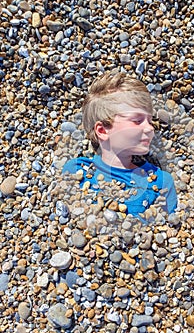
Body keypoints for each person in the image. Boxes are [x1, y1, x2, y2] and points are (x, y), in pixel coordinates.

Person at [62, 71, 177, 221]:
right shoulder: (76, 170)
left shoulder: (161, 181)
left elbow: (170, 232)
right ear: (102, 131)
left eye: (150, 121)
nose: (150, 128)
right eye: (137, 120)